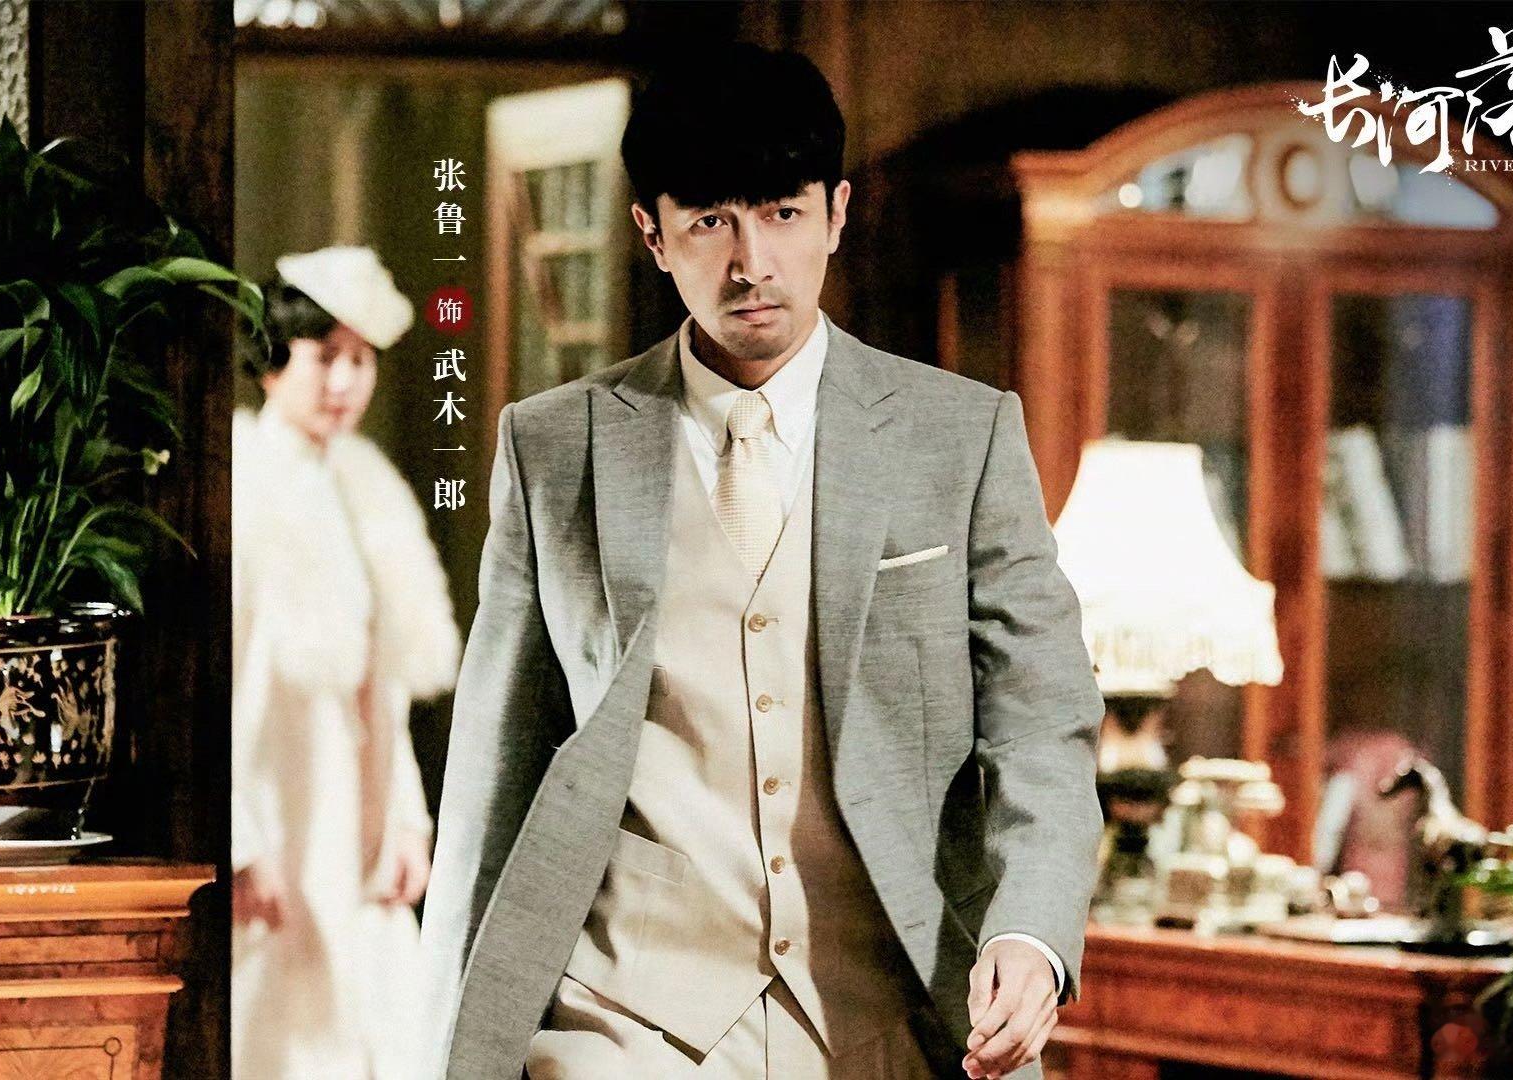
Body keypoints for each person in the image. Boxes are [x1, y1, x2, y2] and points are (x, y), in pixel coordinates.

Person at [422, 45, 1104, 1080]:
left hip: (891, 1012)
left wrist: (1031, 932)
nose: (752, 263)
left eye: (783, 214)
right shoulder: (554, 445)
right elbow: (496, 765)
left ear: (835, 214)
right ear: (652, 234)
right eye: (710, 222)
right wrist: (450, 1044)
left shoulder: (960, 437)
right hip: (621, 1015)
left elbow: (1040, 722)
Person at [232, 245, 462, 1080]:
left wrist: (406, 818)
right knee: (286, 1024)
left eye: (360, 361)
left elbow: (384, 682)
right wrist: (241, 842)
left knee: (384, 1024)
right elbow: (228, 686)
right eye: (324, 356)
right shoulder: (244, 482)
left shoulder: (366, 486)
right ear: (273, 360)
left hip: (355, 798)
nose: (344, 382)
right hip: (281, 795)